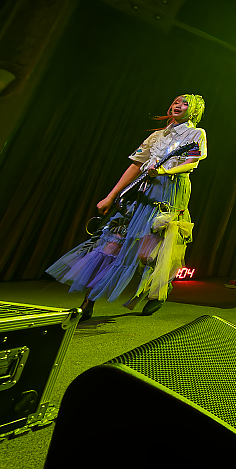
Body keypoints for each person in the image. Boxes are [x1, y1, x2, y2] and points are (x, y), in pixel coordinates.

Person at [47, 95, 208, 320]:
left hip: (168, 193)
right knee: (111, 245)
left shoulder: (196, 134)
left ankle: (158, 291)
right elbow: (135, 165)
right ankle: (88, 302)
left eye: (185, 103)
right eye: (176, 101)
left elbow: (192, 162)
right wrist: (111, 196)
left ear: (194, 111)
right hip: (142, 191)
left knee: (148, 253)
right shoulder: (157, 136)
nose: (177, 105)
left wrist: (163, 172)